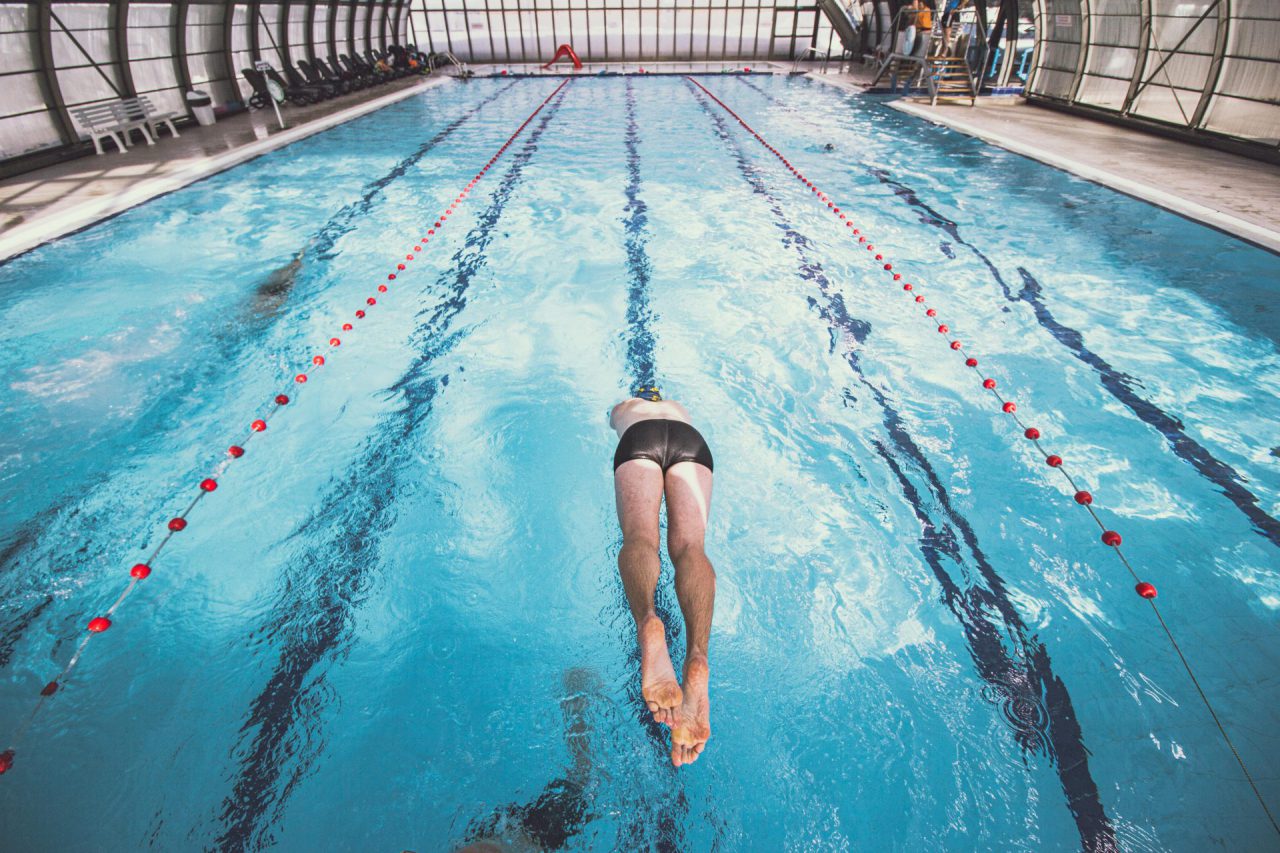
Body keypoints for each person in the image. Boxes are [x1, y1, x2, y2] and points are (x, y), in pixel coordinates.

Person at [609, 385, 715, 768]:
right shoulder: (679, 407)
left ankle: (648, 622)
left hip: (640, 438)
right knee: (690, 549)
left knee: (641, 538)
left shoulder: (625, 407)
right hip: (692, 445)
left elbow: (614, 418)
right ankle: (697, 656)